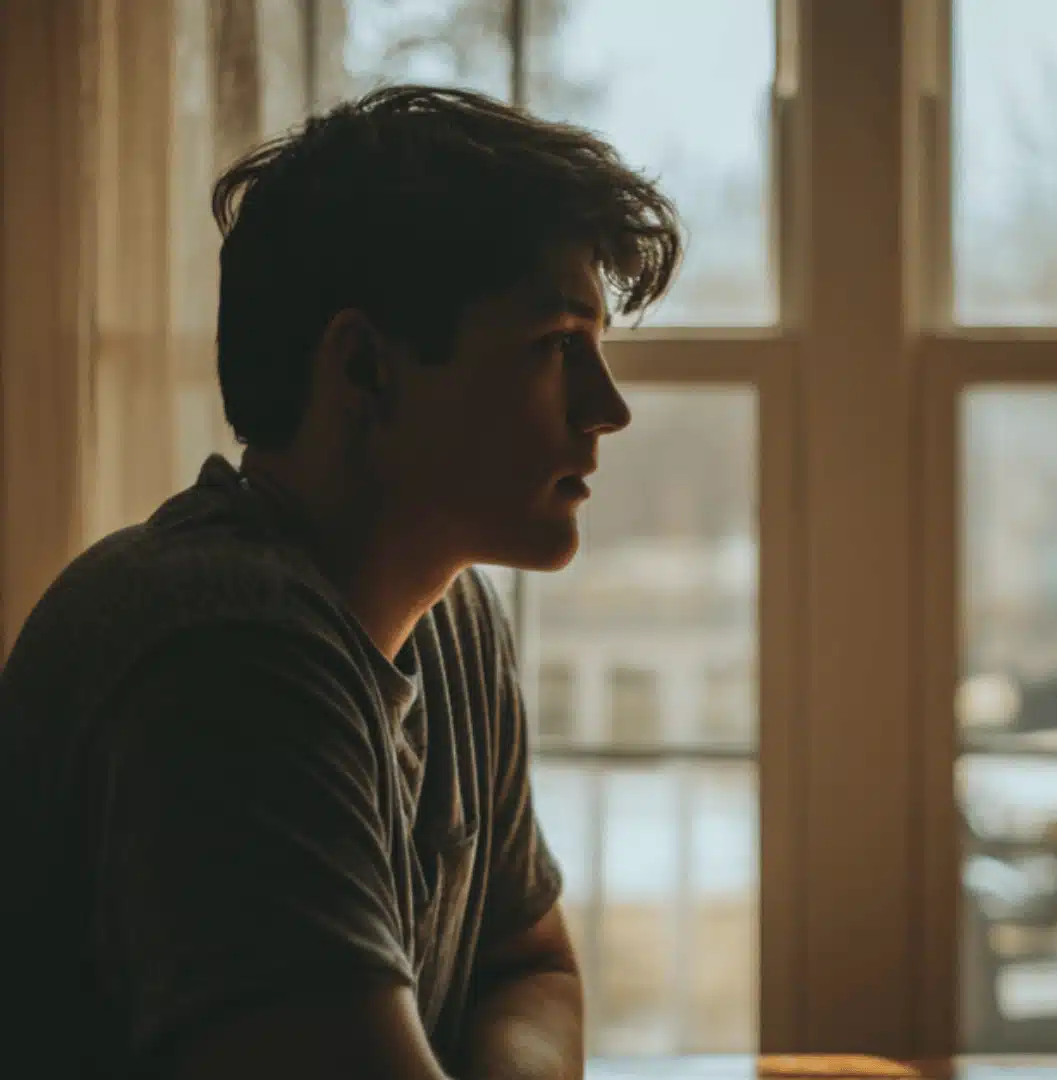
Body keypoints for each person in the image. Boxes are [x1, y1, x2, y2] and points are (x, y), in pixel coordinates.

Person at [0, 86, 680, 1080]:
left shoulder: (449, 614)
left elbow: (530, 965)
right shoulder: (225, 658)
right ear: (365, 370)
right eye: (556, 346)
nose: (607, 407)